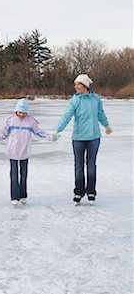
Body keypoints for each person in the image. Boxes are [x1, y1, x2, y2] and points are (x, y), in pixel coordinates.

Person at [53, 74, 113, 205]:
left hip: (94, 137)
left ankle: (91, 191)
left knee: (91, 166)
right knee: (78, 166)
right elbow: (66, 116)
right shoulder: (74, 101)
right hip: (78, 138)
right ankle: (78, 192)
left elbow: (100, 114)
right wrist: (57, 129)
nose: (76, 87)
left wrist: (106, 125)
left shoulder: (96, 99)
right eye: (75, 84)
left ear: (85, 86)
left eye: (78, 84)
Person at [0, 98, 56, 206]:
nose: (21, 115)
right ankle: (14, 196)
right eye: (20, 112)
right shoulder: (10, 120)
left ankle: (23, 195)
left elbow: (38, 132)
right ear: (16, 111)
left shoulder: (31, 121)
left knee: (24, 174)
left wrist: (49, 137)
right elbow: (3, 133)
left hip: (25, 152)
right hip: (13, 151)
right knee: (14, 175)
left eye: (24, 112)